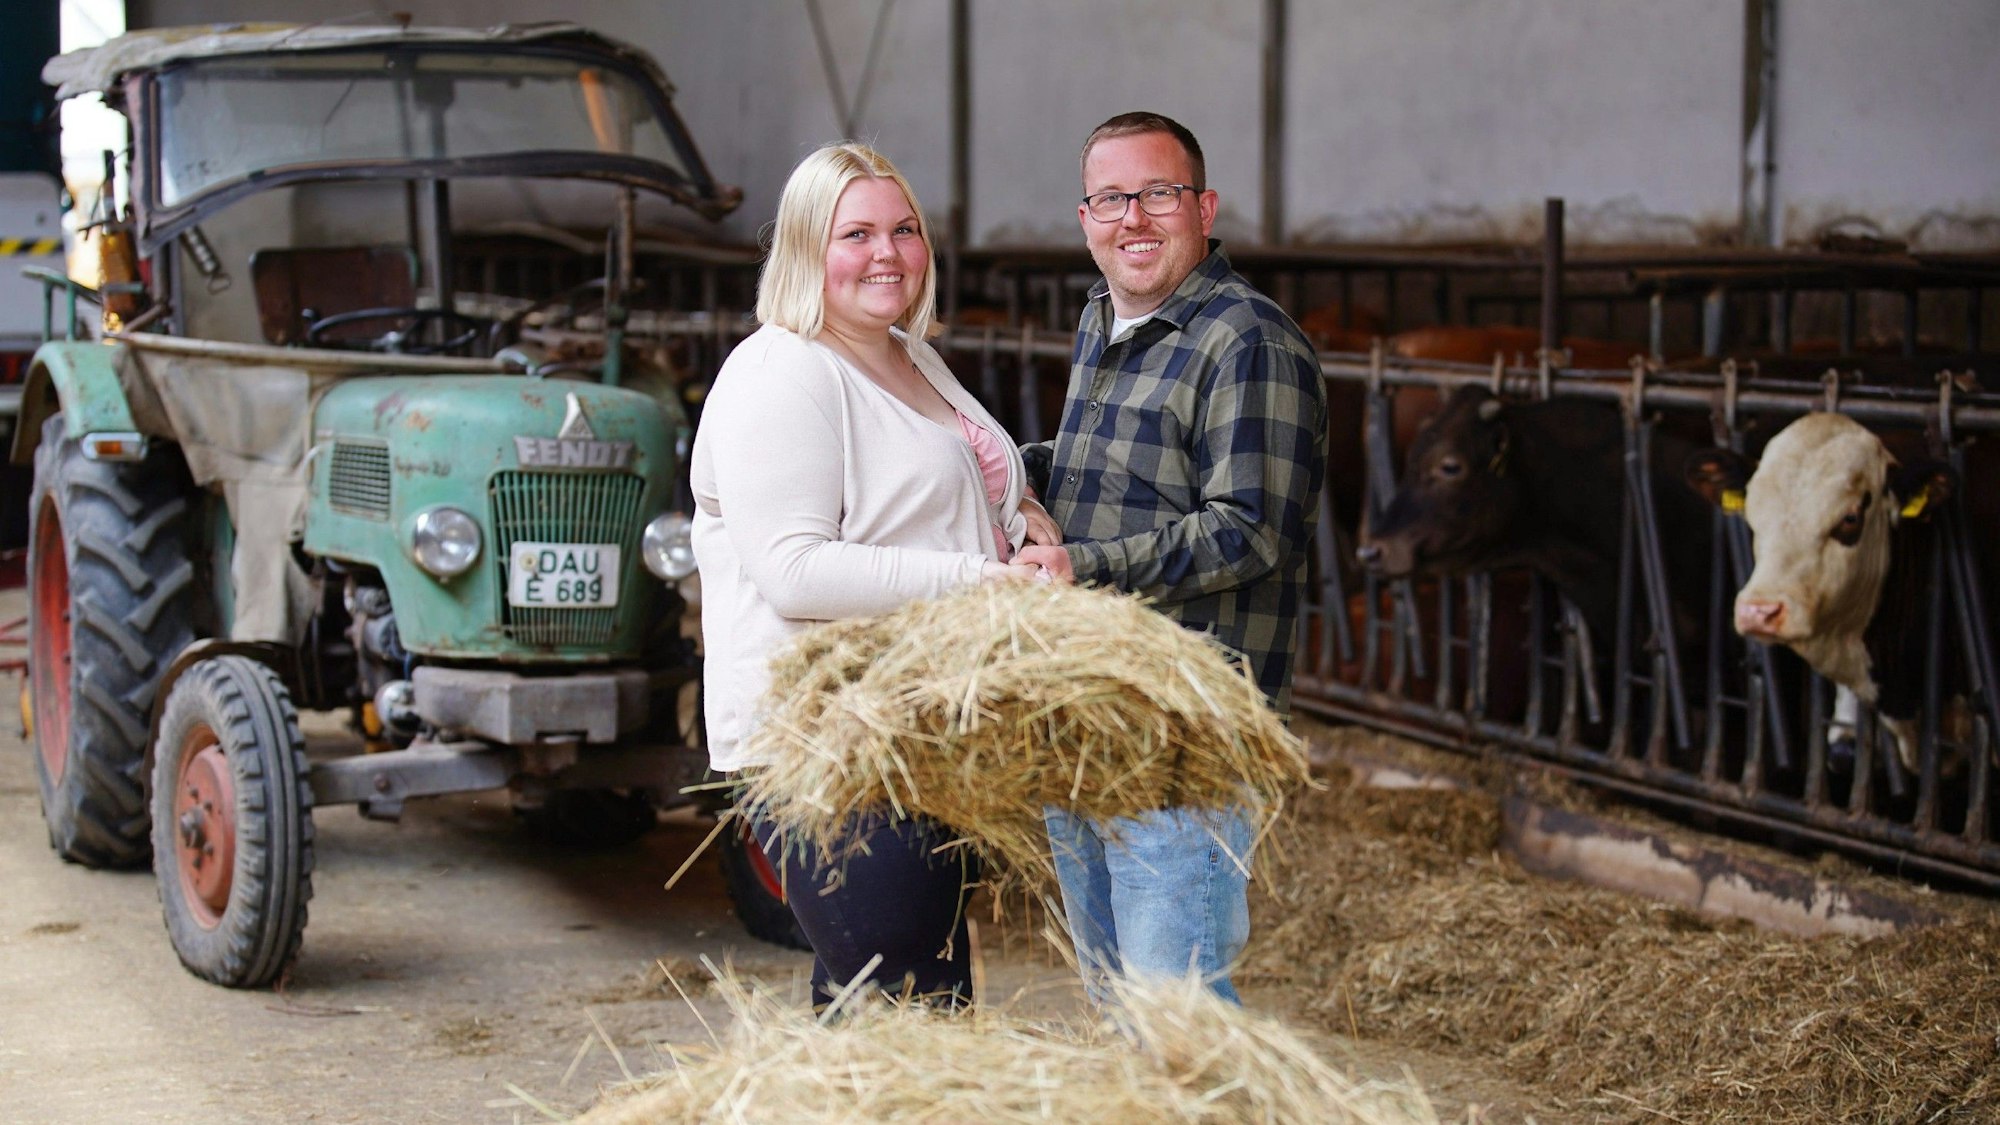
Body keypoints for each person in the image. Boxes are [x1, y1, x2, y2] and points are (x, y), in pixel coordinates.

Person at [690, 142, 1052, 1009]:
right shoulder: (782, 371)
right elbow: (795, 571)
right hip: (831, 742)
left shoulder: (908, 354)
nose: (886, 253)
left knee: (921, 988)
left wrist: (1026, 518)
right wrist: (979, 579)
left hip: (920, 725)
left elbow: (967, 477)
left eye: (905, 229)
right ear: (808, 249)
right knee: (891, 991)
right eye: (856, 233)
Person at [1015, 112, 1328, 1004]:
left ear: (1203, 205)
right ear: (1085, 219)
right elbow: (1099, 474)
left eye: (1158, 193)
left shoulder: (1248, 340)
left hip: (1185, 727)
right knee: (1116, 992)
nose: (1134, 219)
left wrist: (1081, 566)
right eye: (1111, 198)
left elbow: (1250, 527)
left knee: (1174, 1003)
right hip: (1089, 702)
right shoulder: (1101, 319)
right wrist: (1008, 474)